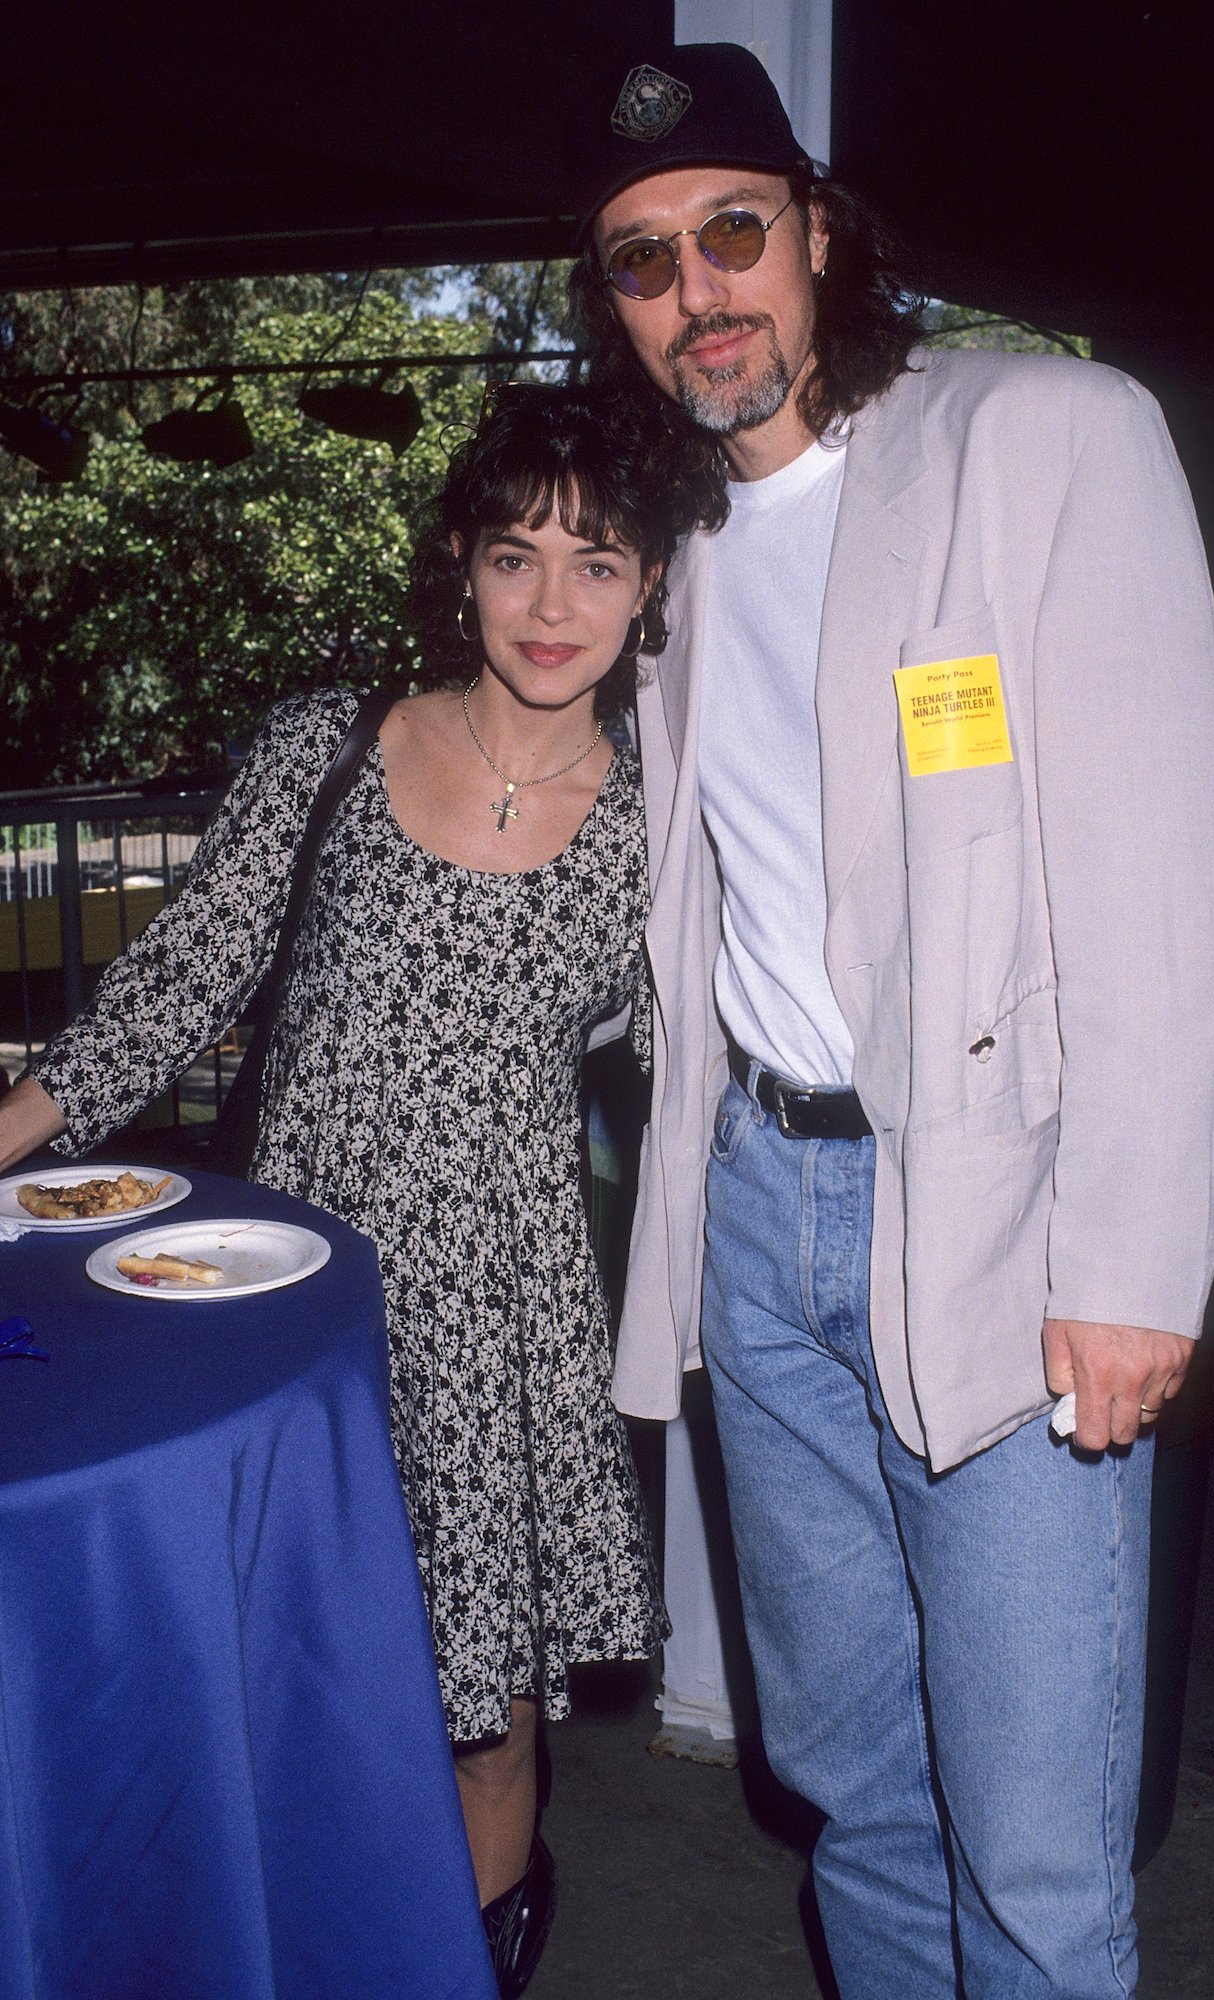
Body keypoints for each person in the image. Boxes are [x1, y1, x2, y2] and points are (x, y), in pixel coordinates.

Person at [567, 42, 1214, 1999]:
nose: (694, 291)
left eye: (727, 234)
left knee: (1030, 1844)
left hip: (994, 1222)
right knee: (852, 1788)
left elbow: (1151, 890)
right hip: (760, 1224)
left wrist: (1128, 1258)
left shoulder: (1042, 439)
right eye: (638, 262)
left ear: (813, 237)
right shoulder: (671, 541)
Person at [0, 382, 716, 1998]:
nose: (551, 606)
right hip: (286, 1296)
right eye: (515, 555)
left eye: (596, 563)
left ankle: (474, 1953)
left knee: (478, 1703)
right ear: (460, 564)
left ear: (653, 583)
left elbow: (710, 1067)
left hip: (497, 1310)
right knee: (293, 1675)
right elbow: (175, 988)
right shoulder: (334, 740)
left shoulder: (672, 819)